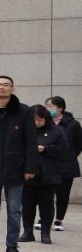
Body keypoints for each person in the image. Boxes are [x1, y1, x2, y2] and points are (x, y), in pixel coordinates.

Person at [0, 76, 35, 252]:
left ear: (13, 89)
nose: (1, 88)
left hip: (16, 168)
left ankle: (12, 246)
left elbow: (31, 141)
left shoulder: (24, 111)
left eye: (6, 85)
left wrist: (30, 167)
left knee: (14, 211)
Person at [22, 105, 69, 245]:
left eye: (39, 119)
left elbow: (64, 148)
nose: (36, 123)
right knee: (27, 206)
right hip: (29, 174)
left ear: (45, 118)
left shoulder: (56, 130)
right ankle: (28, 232)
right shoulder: (26, 130)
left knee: (47, 206)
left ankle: (45, 233)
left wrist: (46, 149)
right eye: (34, 119)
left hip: (48, 174)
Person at [45, 96, 82, 233]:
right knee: (45, 194)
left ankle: (59, 219)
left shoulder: (73, 124)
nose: (48, 108)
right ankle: (44, 218)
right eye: (46, 106)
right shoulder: (44, 122)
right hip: (47, 164)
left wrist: (68, 155)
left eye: (51, 106)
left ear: (60, 108)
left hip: (66, 165)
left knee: (62, 194)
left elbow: (78, 145)